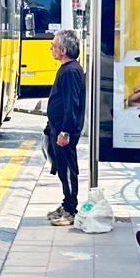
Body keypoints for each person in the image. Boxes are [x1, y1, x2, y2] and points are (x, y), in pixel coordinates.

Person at [45, 29, 85, 226]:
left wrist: (65, 130)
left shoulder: (71, 71)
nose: (51, 49)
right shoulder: (66, 68)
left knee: (68, 169)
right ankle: (66, 203)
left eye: (53, 45)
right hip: (57, 127)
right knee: (62, 168)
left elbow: (72, 103)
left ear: (62, 49)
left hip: (64, 131)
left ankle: (70, 209)